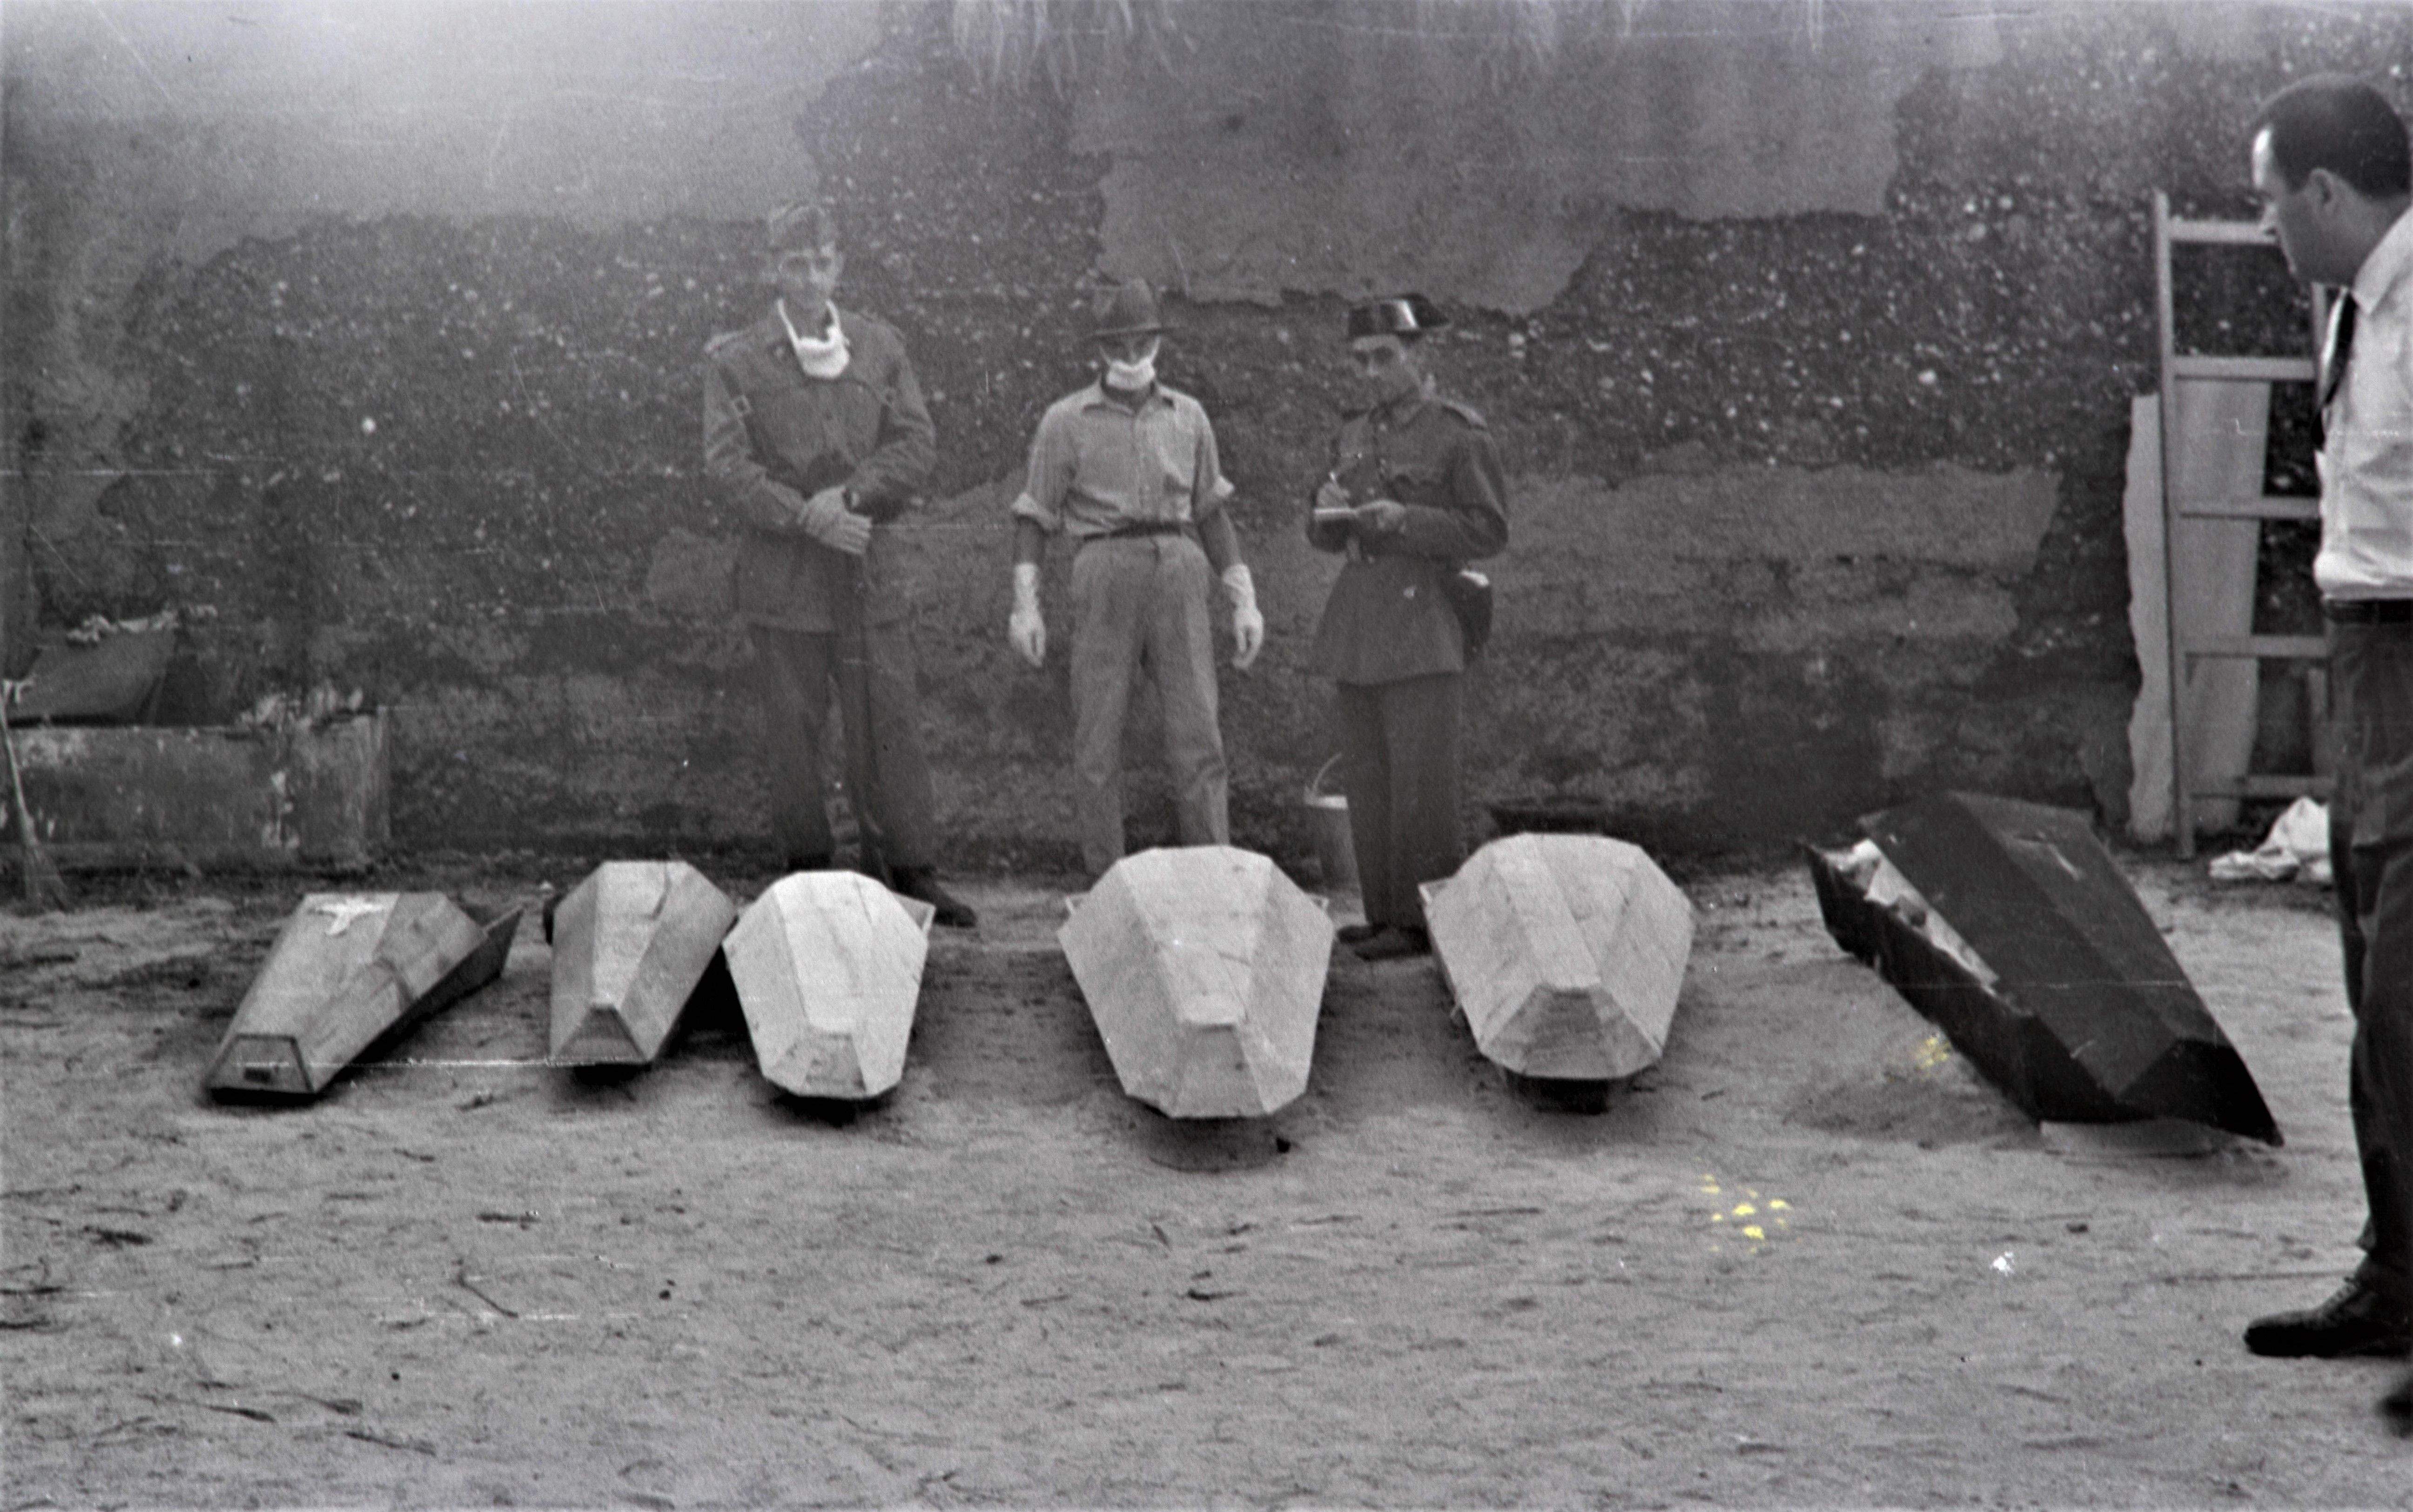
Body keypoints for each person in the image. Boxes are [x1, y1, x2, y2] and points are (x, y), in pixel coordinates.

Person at [2234, 75, 2413, 1432]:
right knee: (2370, 967)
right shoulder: (2359, 305)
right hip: (2368, 656)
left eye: (2266, 197)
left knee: (2412, 986)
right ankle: (2397, 1274)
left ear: (2327, 194)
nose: (2263, 221)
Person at [702, 199, 976, 927]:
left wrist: (851, 495)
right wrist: (804, 517)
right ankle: (807, 878)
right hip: (785, 580)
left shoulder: (881, 348)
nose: (811, 276)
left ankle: (908, 872)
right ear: (771, 269)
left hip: (867, 570)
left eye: (823, 261)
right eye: (795, 263)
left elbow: (916, 444)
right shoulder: (735, 362)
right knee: (794, 729)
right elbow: (727, 466)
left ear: (840, 264)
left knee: (888, 721)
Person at [1006, 279, 1265, 880]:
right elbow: (1035, 515)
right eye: (1116, 345)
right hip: (1103, 565)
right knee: (1097, 735)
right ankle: (1107, 884)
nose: (1130, 357)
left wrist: (1242, 598)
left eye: (1142, 341)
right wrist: (1026, 604)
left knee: (1198, 731)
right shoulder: (1065, 421)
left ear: (1158, 341)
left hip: (1179, 564)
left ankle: (1212, 875)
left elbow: (1211, 511)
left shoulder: (1189, 415)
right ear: (1099, 348)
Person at [1306, 294, 1507, 961]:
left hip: (1423, 620)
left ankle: (1424, 923)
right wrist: (1325, 512)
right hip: (1360, 621)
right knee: (1368, 777)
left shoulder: (1457, 434)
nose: (1369, 372)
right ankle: (1384, 911)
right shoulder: (1354, 433)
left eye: (1383, 357)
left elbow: (1487, 529)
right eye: (1359, 360)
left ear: (1420, 356)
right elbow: (1324, 535)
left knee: (1421, 783)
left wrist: (1407, 521)